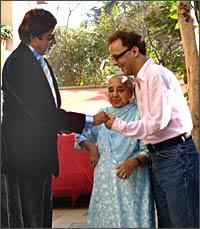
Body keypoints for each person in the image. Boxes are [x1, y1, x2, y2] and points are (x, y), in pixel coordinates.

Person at [1, 8, 107, 228]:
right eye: (50, 36)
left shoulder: (39, 60)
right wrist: (88, 121)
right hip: (23, 158)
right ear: (33, 36)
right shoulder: (19, 63)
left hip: (38, 156)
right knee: (28, 220)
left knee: (40, 218)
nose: (54, 41)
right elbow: (40, 111)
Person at [94, 29, 199, 228]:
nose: (115, 62)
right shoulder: (140, 82)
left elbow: (157, 122)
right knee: (168, 223)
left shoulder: (155, 76)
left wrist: (115, 123)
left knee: (185, 223)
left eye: (117, 56)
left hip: (176, 155)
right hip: (159, 157)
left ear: (134, 51)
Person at [75, 74, 155, 228]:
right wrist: (91, 147)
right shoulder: (102, 113)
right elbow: (80, 134)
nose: (115, 95)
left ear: (131, 92)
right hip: (105, 180)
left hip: (133, 180)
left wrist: (134, 162)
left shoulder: (140, 113)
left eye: (120, 90)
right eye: (111, 90)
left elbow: (149, 150)